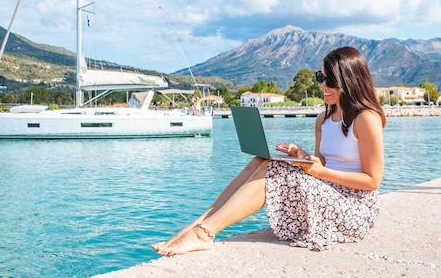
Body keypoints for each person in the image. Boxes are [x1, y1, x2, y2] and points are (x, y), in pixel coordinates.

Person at [152, 46, 386, 255]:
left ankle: (204, 233)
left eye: (330, 81)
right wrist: (303, 156)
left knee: (274, 170)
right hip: (327, 194)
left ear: (350, 81)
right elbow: (322, 166)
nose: (322, 85)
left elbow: (372, 180)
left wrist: (318, 172)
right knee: (261, 160)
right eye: (321, 77)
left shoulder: (367, 119)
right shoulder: (323, 119)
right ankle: (198, 226)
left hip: (354, 209)